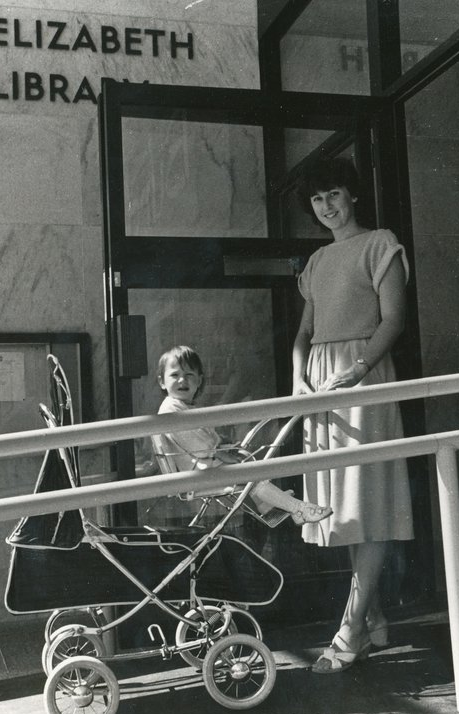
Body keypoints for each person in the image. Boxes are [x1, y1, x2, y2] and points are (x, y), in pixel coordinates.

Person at [292, 157, 414, 674]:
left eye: (334, 194)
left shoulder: (380, 243)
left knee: (370, 502)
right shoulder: (318, 260)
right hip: (321, 385)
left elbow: (395, 319)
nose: (328, 207)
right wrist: (299, 380)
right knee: (344, 509)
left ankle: (349, 629)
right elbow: (304, 332)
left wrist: (360, 368)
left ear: (353, 195)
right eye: (318, 200)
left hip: (362, 379)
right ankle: (373, 618)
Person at [153, 345, 332, 525]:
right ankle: (298, 508)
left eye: (189, 375)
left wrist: (223, 447)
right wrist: (220, 451)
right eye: (175, 375)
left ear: (199, 380)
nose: (182, 380)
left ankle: (269, 504)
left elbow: (202, 439)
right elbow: (198, 444)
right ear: (162, 381)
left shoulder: (182, 407)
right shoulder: (170, 409)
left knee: (247, 463)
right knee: (248, 473)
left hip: (203, 468)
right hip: (198, 474)